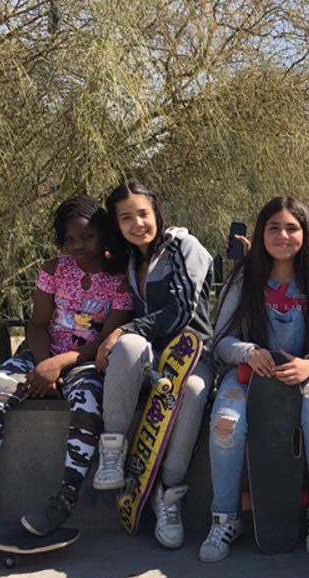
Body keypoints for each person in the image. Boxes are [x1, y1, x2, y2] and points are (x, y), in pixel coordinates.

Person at [0, 196, 133, 535]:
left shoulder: (120, 279)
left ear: (104, 234)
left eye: (87, 237)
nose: (78, 246)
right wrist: (42, 366)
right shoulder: (54, 270)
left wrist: (58, 365)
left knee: (87, 408)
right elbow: (37, 325)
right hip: (41, 354)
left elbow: (105, 341)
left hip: (87, 362)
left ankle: (64, 500)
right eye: (69, 239)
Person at [200, 195, 309, 562]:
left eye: (292, 228)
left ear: (305, 233)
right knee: (225, 422)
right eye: (274, 227)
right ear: (261, 233)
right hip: (251, 373)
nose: (283, 235)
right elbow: (221, 340)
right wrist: (248, 352)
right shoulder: (245, 277)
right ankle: (224, 517)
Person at [92, 181, 215, 550]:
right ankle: (112, 452)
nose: (137, 223)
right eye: (126, 217)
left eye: (143, 213)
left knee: (192, 390)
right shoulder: (132, 258)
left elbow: (181, 312)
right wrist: (124, 335)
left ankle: (169, 496)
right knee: (128, 346)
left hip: (190, 353)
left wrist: (122, 330)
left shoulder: (185, 247)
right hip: (152, 358)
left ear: (156, 212)